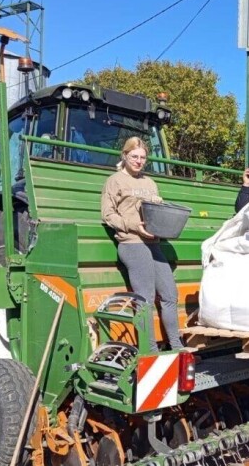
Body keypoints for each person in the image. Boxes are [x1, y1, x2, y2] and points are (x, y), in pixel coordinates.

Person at [101, 136, 183, 351]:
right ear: (125, 156)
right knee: (145, 299)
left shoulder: (149, 182)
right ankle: (150, 350)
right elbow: (108, 214)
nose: (138, 161)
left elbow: (155, 211)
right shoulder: (115, 180)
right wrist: (133, 225)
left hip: (153, 243)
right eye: (134, 156)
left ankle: (175, 345)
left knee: (170, 295)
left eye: (143, 158)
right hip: (132, 243)